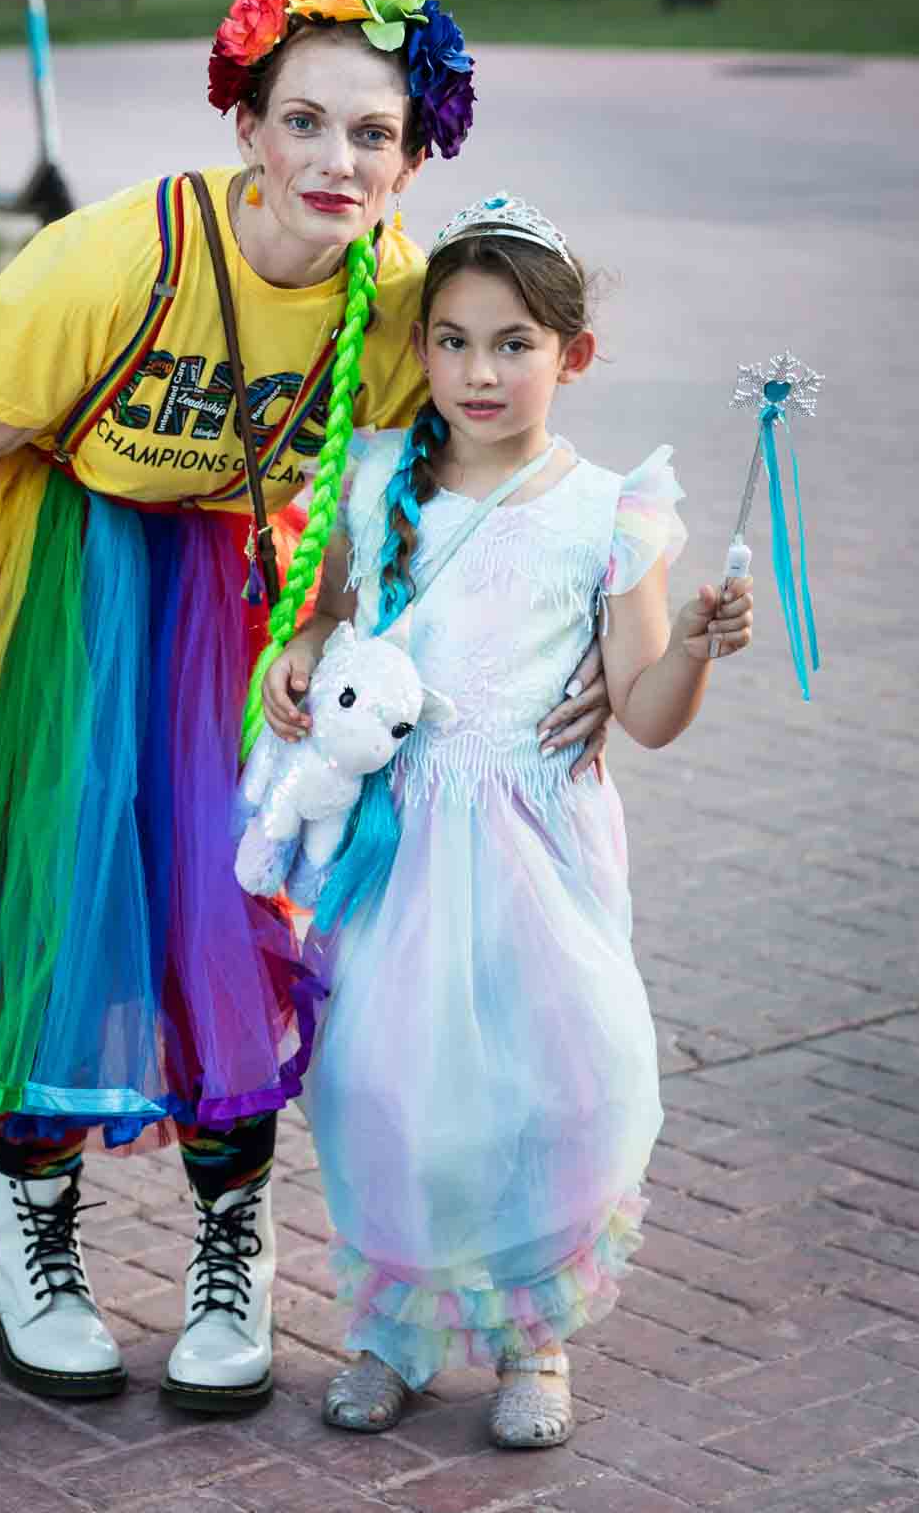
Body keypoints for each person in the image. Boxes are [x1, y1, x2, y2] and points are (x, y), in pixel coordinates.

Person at [0, 0, 609, 1415]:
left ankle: (237, 1239)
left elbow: (441, 480)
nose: (334, 161)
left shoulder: (407, 297)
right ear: (248, 127)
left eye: (372, 134)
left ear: (414, 156)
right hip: (53, 576)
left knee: (235, 903)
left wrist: (584, 630)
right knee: (57, 895)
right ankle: (27, 1245)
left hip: (236, 594)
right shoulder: (104, 265)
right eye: (303, 121)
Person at [259, 194, 753, 1444]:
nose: (480, 371)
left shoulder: (607, 512)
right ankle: (395, 1330)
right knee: (385, 1082)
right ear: (419, 346)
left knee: (544, 1085)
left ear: (572, 355)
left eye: (515, 343)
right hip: (400, 840)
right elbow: (328, 617)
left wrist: (689, 643)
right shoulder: (373, 479)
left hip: (535, 845)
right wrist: (302, 650)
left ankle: (533, 1339)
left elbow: (641, 710)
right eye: (455, 340)